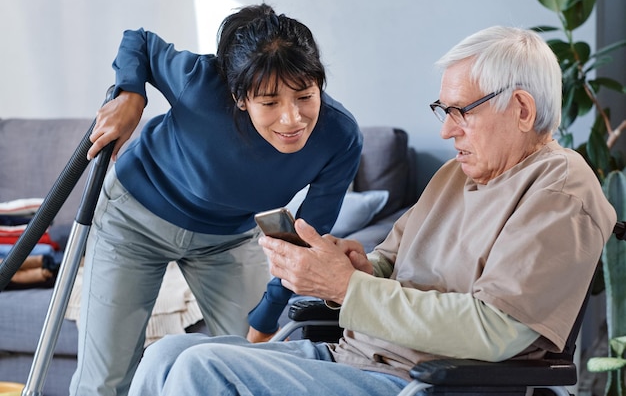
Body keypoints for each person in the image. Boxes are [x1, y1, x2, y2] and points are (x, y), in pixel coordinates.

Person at [125, 25, 617, 396]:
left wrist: (348, 287)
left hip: (419, 381)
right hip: (354, 358)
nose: (447, 131)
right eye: (442, 112)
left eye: (460, 111)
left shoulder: (561, 189)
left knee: (200, 371)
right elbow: (388, 263)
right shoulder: (455, 175)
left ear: (523, 109)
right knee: (166, 354)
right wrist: (355, 267)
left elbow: (496, 331)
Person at [69, 4, 363, 396]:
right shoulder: (200, 84)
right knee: (105, 381)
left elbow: (306, 241)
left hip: (226, 240)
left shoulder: (339, 137)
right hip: (132, 222)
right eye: (270, 102)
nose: (292, 119)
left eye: (305, 96)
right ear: (241, 98)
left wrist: (267, 314)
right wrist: (131, 94)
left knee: (258, 368)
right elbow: (138, 41)